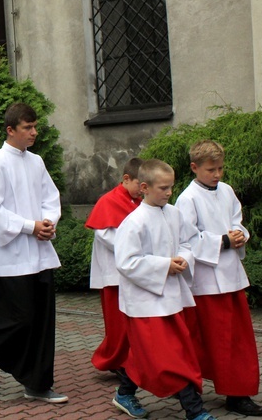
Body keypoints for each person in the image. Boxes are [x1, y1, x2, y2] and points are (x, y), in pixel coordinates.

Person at [0, 102, 67, 403]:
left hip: (38, 252)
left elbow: (50, 198)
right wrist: (31, 226)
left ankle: (37, 384)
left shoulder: (36, 162)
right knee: (19, 319)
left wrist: (49, 222)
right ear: (10, 130)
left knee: (42, 321)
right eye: (28, 128)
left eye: (35, 126)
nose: (34, 132)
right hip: (9, 257)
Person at [115, 159, 213, 420]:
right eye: (163, 188)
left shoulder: (173, 213)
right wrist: (163, 266)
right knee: (170, 358)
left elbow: (186, 243)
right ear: (144, 187)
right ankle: (195, 411)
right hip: (145, 302)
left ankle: (124, 393)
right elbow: (126, 262)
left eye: (171, 187)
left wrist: (182, 259)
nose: (169, 193)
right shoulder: (133, 222)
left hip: (171, 297)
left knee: (152, 353)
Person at [175, 140, 262, 417]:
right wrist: (223, 241)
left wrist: (240, 235)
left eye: (220, 168)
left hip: (232, 276)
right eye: (211, 169)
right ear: (194, 167)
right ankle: (215, 390)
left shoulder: (226, 190)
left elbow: (237, 220)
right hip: (207, 281)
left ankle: (238, 393)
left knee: (238, 339)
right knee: (217, 341)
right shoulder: (187, 198)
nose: (217, 174)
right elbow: (186, 239)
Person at [84, 158, 144, 418]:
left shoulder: (139, 201)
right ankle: (114, 360)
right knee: (117, 324)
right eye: (138, 185)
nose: (142, 190)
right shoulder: (109, 200)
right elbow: (105, 235)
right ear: (126, 178)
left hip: (134, 270)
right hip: (114, 273)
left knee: (128, 323)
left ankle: (119, 359)